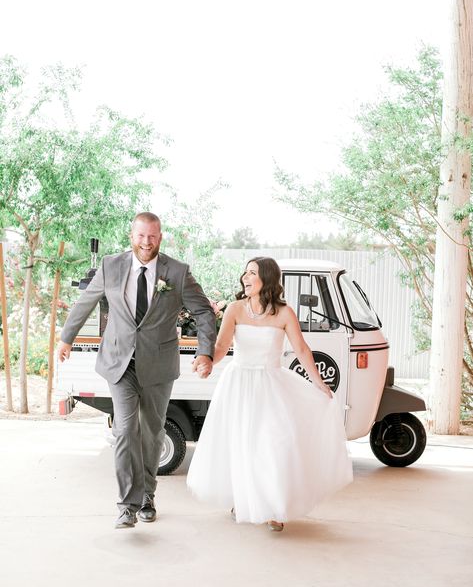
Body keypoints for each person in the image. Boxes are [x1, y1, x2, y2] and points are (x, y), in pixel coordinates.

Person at [58, 212, 216, 529]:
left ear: (160, 237)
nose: (146, 242)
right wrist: (66, 339)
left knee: (152, 433)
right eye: (141, 235)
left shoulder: (177, 272)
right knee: (125, 431)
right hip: (119, 363)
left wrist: (205, 351)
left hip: (158, 365)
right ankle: (127, 504)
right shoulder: (111, 266)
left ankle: (147, 497)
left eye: (153, 236)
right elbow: (85, 303)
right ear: (132, 235)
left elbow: (203, 312)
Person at [187, 256, 352, 531]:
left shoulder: (285, 313)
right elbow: (221, 346)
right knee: (242, 443)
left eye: (252, 273)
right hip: (239, 384)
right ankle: (242, 499)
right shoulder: (235, 310)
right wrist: (207, 362)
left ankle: (275, 506)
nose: (245, 277)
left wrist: (319, 383)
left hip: (271, 384)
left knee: (276, 442)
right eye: (245, 272)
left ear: (267, 279)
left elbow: (302, 350)